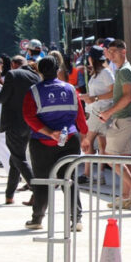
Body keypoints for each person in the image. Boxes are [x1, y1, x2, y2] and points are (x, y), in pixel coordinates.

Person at [23, 58, 87, 230]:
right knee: (70, 180)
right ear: (58, 69)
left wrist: (50, 133)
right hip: (69, 141)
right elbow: (79, 117)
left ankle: (37, 219)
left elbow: (29, 117)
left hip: (42, 142)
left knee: (43, 181)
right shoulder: (71, 89)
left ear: (39, 71)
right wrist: (85, 134)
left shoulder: (33, 91)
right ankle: (77, 219)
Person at [86, 39, 131, 209]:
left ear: (123, 52)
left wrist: (108, 112)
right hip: (126, 118)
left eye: (114, 51)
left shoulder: (123, 71)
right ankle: (126, 196)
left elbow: (127, 96)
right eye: (109, 51)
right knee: (123, 158)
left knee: (109, 156)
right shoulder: (121, 70)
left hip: (123, 119)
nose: (110, 54)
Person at [0, 56, 40, 204]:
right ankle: (9, 195)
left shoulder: (12, 74)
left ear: (14, 64)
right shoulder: (36, 76)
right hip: (30, 122)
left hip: (14, 121)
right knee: (15, 158)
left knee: (18, 158)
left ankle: (38, 190)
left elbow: (3, 96)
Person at [77, 46, 114, 181]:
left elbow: (114, 92)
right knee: (100, 143)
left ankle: (88, 174)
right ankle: (99, 174)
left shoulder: (105, 73)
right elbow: (96, 94)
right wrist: (83, 96)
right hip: (95, 111)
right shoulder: (96, 73)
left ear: (91, 58)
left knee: (88, 141)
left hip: (101, 112)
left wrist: (95, 98)